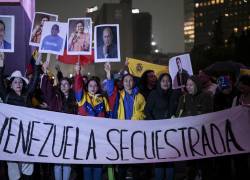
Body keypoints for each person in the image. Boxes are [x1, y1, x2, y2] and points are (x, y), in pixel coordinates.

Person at [0, 52, 42, 180]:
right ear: (11, 84)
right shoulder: (6, 95)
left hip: (26, 134)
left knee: (27, 164)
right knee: (13, 166)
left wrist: (37, 64)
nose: (18, 84)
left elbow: (34, 80)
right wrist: (1, 64)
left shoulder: (27, 95)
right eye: (15, 82)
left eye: (20, 82)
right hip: (11, 135)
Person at [104, 62, 146, 180]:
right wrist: (108, 73)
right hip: (121, 133)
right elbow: (110, 90)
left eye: (130, 80)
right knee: (122, 163)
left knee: (135, 163)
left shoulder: (140, 97)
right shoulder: (118, 95)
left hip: (136, 133)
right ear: (122, 83)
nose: (128, 83)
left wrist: (135, 119)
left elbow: (143, 113)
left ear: (134, 82)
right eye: (126, 80)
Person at [41, 61, 77, 180]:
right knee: (57, 163)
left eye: (66, 84)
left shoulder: (75, 100)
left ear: (70, 86)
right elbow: (46, 90)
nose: (63, 86)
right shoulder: (55, 98)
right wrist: (45, 73)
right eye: (61, 84)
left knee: (67, 163)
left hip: (70, 135)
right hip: (57, 134)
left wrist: (77, 72)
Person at [74, 62, 110, 180]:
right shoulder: (82, 97)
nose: (93, 88)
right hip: (85, 136)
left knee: (98, 164)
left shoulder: (103, 99)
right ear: (87, 87)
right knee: (87, 164)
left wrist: (108, 73)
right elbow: (78, 87)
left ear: (98, 87)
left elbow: (108, 116)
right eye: (90, 85)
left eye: (95, 85)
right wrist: (78, 73)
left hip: (99, 136)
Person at [144, 73, 180, 180]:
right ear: (159, 82)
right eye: (163, 81)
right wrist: (154, 125)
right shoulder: (154, 94)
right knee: (159, 160)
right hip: (157, 132)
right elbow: (147, 111)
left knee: (170, 160)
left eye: (168, 81)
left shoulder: (175, 94)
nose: (166, 83)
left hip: (171, 132)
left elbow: (178, 109)